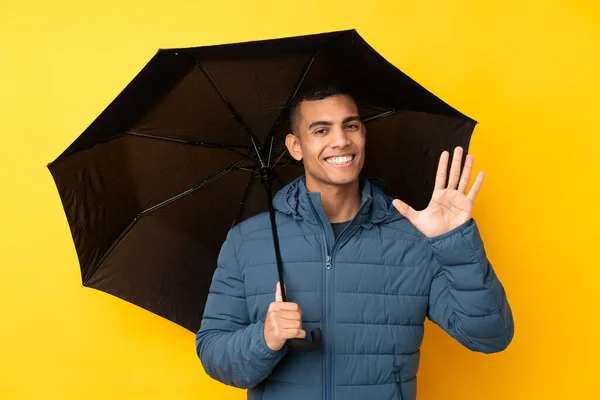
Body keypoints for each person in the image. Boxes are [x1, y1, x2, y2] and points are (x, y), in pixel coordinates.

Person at [195, 84, 514, 400]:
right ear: (295, 146)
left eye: (351, 126)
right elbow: (213, 353)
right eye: (321, 131)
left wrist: (453, 239)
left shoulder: (413, 238)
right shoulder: (247, 241)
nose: (341, 140)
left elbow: (490, 336)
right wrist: (265, 339)